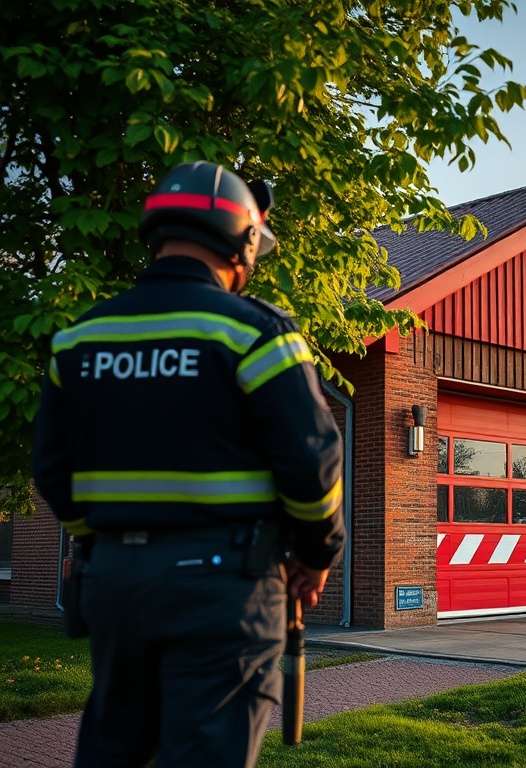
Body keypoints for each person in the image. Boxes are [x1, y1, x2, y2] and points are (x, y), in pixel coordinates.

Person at [32, 160, 345, 768]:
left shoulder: (79, 341)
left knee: (116, 748)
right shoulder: (253, 332)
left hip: (112, 584)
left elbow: (53, 473)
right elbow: (312, 464)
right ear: (244, 239)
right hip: (222, 586)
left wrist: (111, 547)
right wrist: (315, 556)